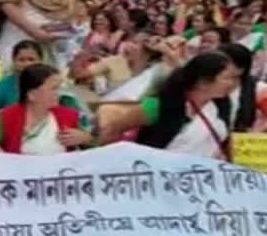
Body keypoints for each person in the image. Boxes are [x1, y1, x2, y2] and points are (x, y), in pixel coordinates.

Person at [99, 52, 239, 159]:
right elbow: (113, 130)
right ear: (203, 81)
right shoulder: (158, 106)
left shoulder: (221, 106)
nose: (233, 84)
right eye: (227, 78)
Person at [0, 64, 91, 154]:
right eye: (53, 88)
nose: (58, 93)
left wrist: (86, 139)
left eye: (59, 88)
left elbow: (96, 152)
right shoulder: (6, 118)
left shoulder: (68, 116)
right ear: (32, 94)